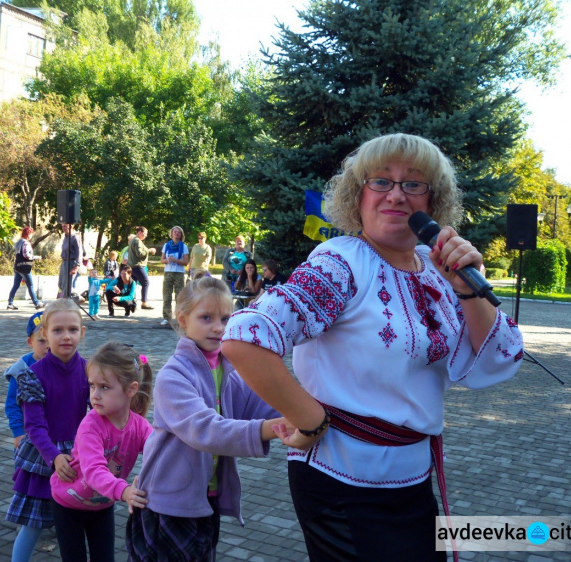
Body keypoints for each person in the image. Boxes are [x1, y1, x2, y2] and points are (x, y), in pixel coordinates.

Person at [221, 133, 525, 561]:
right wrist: (308, 420)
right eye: (380, 181)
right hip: (343, 484)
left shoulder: (437, 270)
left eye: (413, 184)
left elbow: (501, 357)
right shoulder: (342, 261)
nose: (396, 195)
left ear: (432, 203)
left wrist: (469, 290)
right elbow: (245, 336)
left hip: (413, 482)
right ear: (357, 196)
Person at [126, 276, 284, 561]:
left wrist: (301, 412)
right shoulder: (174, 375)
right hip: (168, 501)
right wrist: (273, 428)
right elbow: (204, 430)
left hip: (206, 498)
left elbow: (264, 404)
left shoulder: (229, 369)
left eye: (225, 318)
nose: (218, 327)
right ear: (183, 320)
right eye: (206, 317)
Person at [50, 342, 153, 562]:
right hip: (68, 505)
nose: (94, 395)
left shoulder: (140, 426)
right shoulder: (91, 425)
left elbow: (159, 455)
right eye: (92, 385)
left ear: (131, 389)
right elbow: (94, 471)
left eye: (104, 387)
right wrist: (125, 491)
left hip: (102, 506)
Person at [5, 299, 89, 562]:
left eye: (73, 330)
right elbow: (34, 426)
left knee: (78, 525)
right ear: (44, 334)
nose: (66, 336)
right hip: (45, 457)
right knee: (33, 526)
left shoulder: (89, 369)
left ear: (82, 333)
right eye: (57, 330)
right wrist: (53, 456)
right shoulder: (33, 375)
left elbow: (100, 413)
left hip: (78, 456)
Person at [3, 312, 49, 451]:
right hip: (29, 434)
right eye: (42, 340)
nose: (48, 346)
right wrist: (18, 433)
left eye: (51, 339)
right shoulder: (21, 369)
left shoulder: (64, 364)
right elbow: (12, 403)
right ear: (30, 342)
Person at [8, 226, 44, 311]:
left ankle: (10, 303)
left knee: (16, 285)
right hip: (24, 267)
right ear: (28, 234)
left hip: (17, 266)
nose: (32, 236)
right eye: (31, 234)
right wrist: (36, 257)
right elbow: (26, 255)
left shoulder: (18, 242)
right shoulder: (26, 243)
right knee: (30, 285)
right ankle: (36, 303)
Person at [160, 226, 189, 327]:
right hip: (168, 272)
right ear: (171, 234)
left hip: (179, 273)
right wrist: (167, 260)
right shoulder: (166, 245)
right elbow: (162, 260)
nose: (176, 234)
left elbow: (186, 262)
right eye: (175, 232)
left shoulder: (184, 246)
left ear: (181, 235)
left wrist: (176, 261)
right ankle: (166, 318)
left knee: (179, 296)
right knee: (167, 296)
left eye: (178, 232)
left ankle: (179, 318)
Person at [127, 226, 156, 310]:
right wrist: (149, 250)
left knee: (133, 285)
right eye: (145, 233)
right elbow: (139, 253)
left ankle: (130, 302)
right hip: (138, 266)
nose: (146, 235)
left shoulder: (133, 240)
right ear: (139, 232)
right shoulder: (138, 241)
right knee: (146, 282)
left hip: (132, 266)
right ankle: (144, 303)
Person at [57, 224, 82, 299]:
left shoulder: (75, 238)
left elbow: (79, 252)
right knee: (61, 284)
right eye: (62, 226)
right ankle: (77, 298)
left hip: (71, 263)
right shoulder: (65, 238)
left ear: (71, 227)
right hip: (64, 262)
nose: (63, 228)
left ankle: (73, 300)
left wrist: (76, 266)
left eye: (65, 226)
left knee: (67, 286)